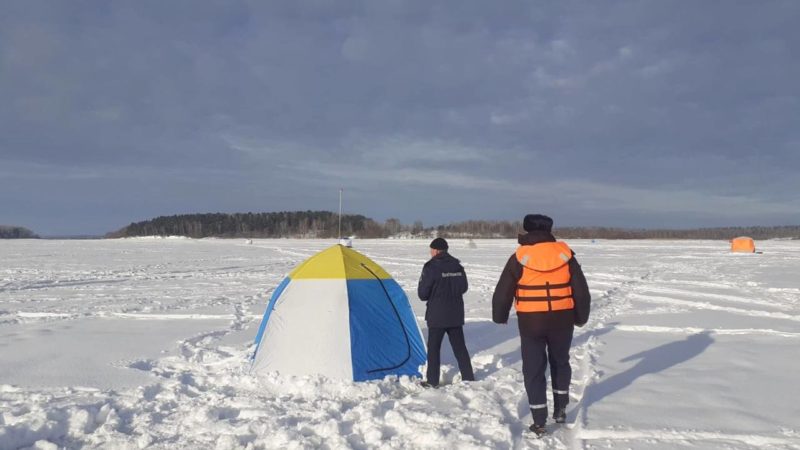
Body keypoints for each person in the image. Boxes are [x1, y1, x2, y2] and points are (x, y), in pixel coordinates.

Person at [492, 214, 591, 436]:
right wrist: (581, 317)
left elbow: (503, 291)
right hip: (562, 320)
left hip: (531, 322)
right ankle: (561, 409)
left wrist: (499, 315)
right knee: (560, 363)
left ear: (527, 230)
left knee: (534, 369)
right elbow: (581, 291)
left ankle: (539, 420)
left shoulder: (519, 256)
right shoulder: (566, 255)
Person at [418, 237, 475, 387]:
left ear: (436, 250)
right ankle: (468, 378)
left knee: (434, 350)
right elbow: (463, 287)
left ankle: (432, 381)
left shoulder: (430, 267)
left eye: (431, 250)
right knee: (460, 347)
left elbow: (422, 293)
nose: (430, 253)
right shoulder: (457, 265)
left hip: (437, 316)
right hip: (455, 314)